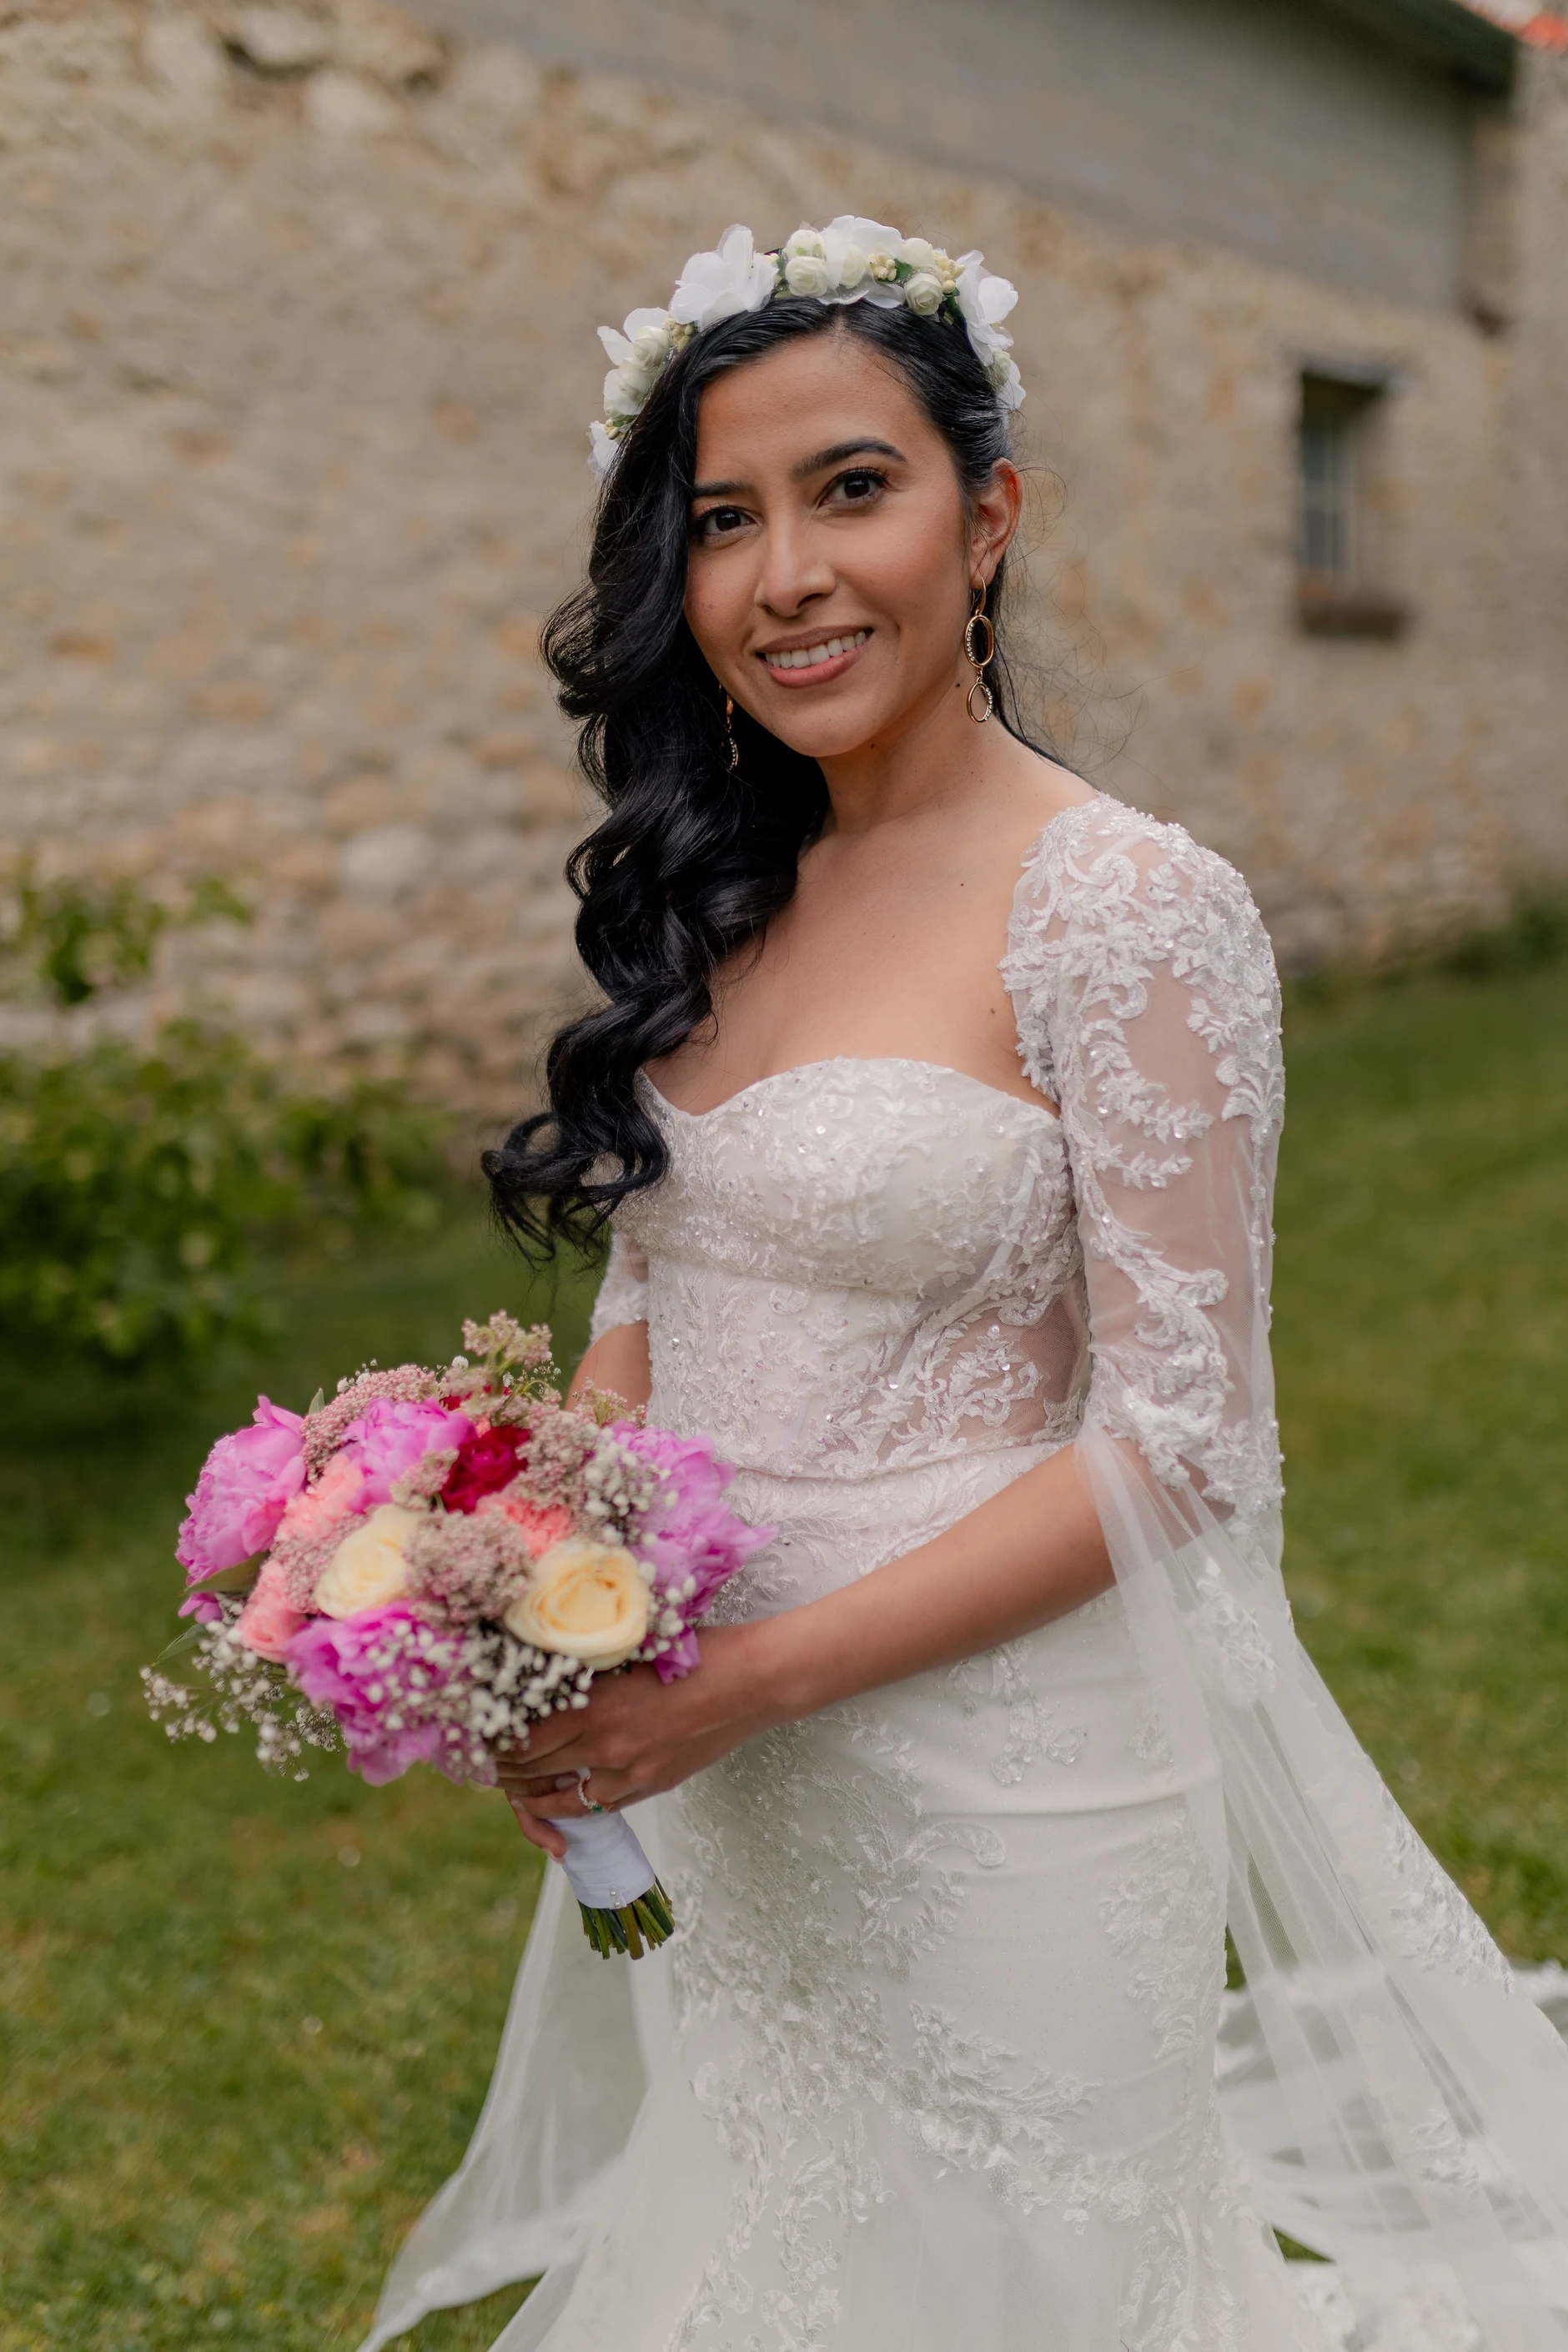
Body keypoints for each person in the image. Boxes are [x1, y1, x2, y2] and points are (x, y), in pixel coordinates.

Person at [360, 223, 1568, 2352]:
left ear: (986, 516)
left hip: (1015, 1783)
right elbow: (651, 1287)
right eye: (722, 521)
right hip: (729, 1778)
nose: (785, 575)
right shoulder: (721, 898)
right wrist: (537, 1586)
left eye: (853, 489)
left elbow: (1182, 1449)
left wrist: (752, 1681)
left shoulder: (1125, 908)